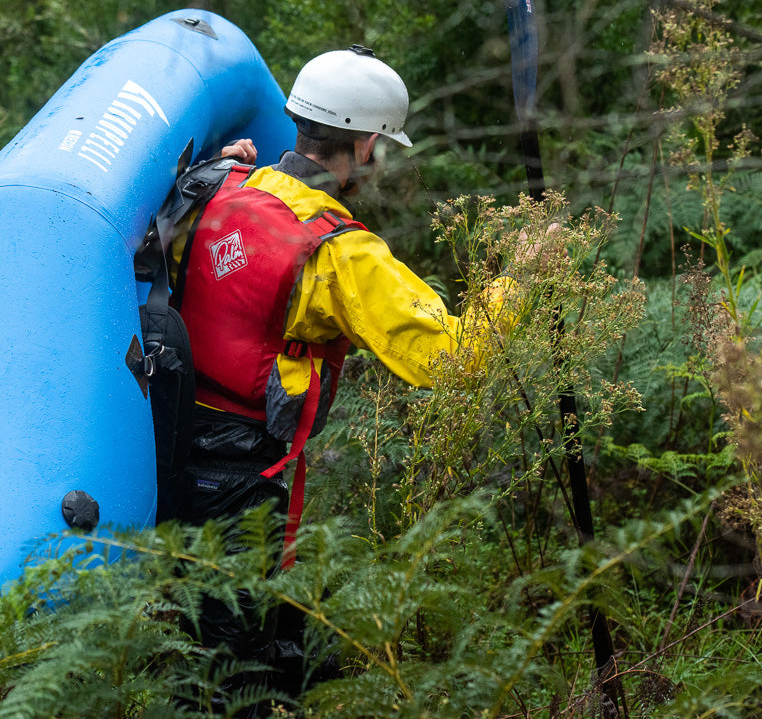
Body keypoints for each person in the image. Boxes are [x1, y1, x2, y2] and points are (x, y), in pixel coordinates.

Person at [164, 45, 523, 714]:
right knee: (236, 681)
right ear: (362, 147)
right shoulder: (340, 252)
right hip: (248, 489)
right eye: (381, 146)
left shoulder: (219, 191)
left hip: (169, 460)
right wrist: (521, 285)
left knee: (205, 661)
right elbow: (453, 360)